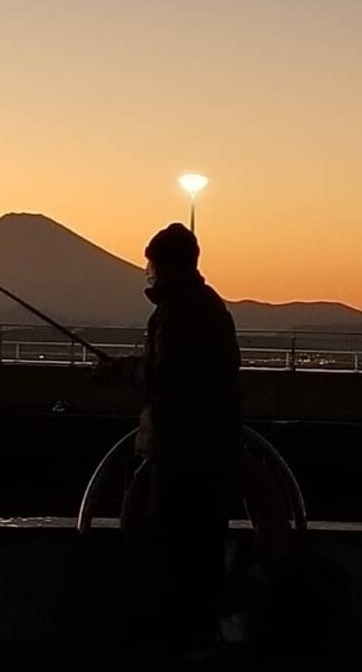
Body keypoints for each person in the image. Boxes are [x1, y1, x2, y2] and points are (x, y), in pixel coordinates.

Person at [120, 222, 242, 652]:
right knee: (197, 560)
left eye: (152, 264)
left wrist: (127, 373)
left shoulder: (180, 314)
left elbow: (168, 376)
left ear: (167, 266)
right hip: (206, 457)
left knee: (173, 556)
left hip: (179, 461)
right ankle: (193, 634)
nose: (149, 273)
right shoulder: (206, 309)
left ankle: (175, 639)